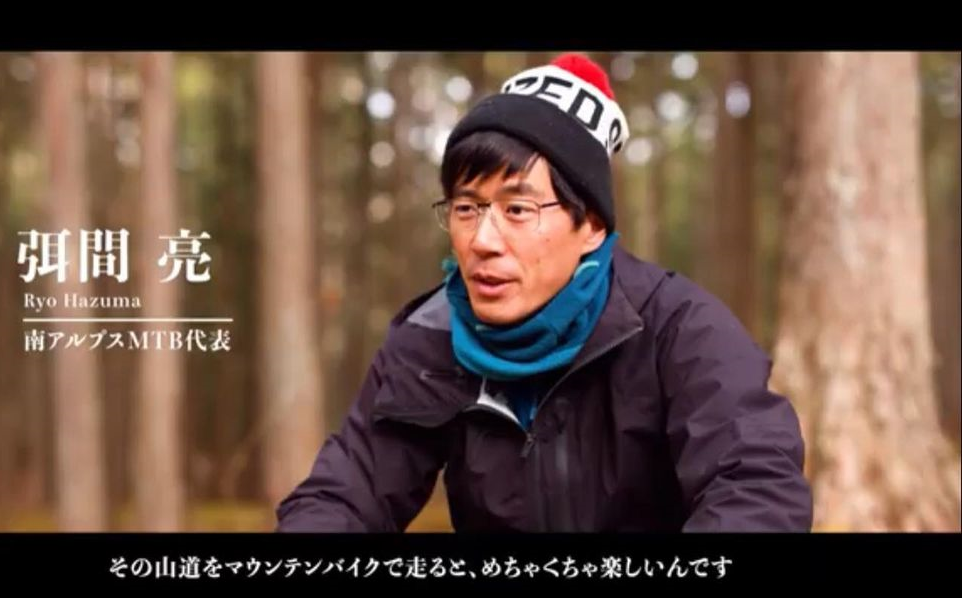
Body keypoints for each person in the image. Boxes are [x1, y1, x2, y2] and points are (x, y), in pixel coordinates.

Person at [275, 53, 813, 532]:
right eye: (467, 208)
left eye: (518, 209)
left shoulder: (680, 329)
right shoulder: (430, 338)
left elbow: (756, 487)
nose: (483, 241)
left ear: (592, 225)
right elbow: (344, 494)